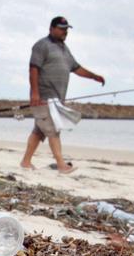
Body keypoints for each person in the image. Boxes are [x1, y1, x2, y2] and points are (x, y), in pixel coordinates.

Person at [20, 16, 105, 173]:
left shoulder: (64, 49)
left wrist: (94, 76)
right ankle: (61, 165)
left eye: (66, 29)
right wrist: (35, 94)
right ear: (51, 29)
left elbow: (76, 68)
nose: (64, 32)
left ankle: (26, 162)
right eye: (61, 28)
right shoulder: (41, 45)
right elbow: (33, 69)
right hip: (43, 97)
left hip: (57, 99)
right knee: (53, 130)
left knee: (39, 131)